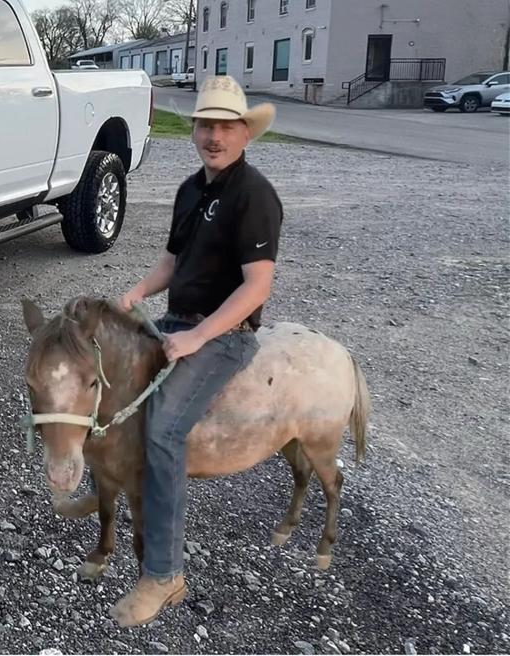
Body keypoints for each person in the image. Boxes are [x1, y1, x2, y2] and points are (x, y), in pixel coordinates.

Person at [110, 75, 283, 627]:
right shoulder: (191, 190)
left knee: (161, 428)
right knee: (105, 378)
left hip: (224, 334)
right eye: (206, 125)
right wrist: (137, 293)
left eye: (225, 126)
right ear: (195, 132)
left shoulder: (253, 195)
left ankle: (164, 576)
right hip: (178, 320)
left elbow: (257, 287)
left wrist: (199, 336)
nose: (214, 136)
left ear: (244, 134)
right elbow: (172, 263)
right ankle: (108, 496)